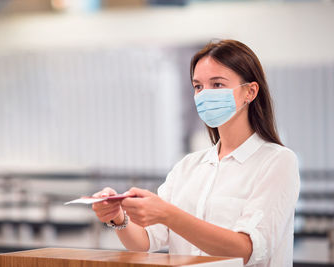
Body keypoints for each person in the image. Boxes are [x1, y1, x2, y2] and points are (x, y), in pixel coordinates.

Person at [91, 39, 300, 267]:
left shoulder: (277, 161)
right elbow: (146, 240)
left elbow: (246, 250)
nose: (205, 95)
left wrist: (168, 214)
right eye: (198, 86)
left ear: (250, 91)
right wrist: (117, 217)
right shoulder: (188, 166)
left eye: (217, 84)